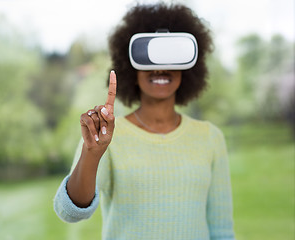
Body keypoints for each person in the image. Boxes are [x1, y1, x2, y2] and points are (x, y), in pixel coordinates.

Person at [54, 3, 235, 240]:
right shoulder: (106, 136)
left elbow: (222, 230)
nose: (160, 69)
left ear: (189, 65)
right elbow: (69, 212)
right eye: (149, 57)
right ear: (131, 66)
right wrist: (92, 153)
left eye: (171, 57)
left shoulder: (211, 138)